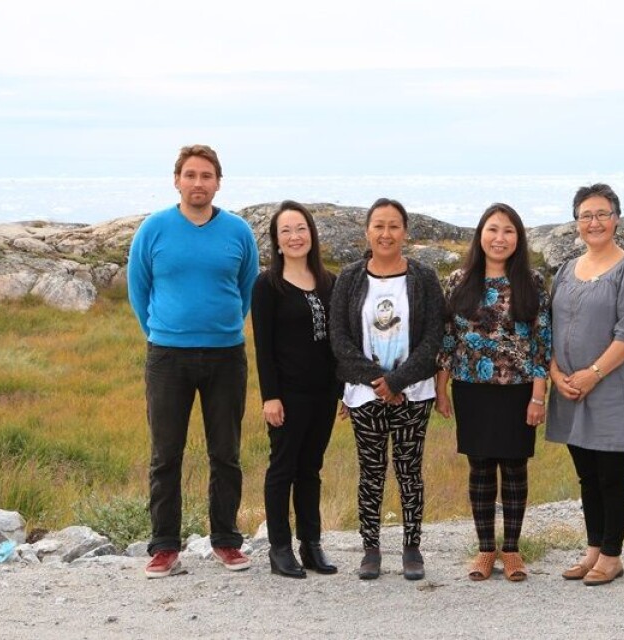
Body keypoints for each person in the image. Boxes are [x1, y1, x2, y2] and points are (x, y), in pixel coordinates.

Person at [127, 144, 260, 578]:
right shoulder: (154, 229)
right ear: (177, 180)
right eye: (190, 175)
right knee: (166, 454)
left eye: (206, 175)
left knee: (226, 454)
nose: (198, 183)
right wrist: (161, 331)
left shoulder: (238, 231)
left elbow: (245, 288)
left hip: (225, 356)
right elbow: (138, 287)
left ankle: (226, 541)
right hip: (167, 357)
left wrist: (221, 327)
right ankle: (164, 547)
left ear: (218, 181)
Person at [435, 203, 551, 582]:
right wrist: (441, 386)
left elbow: (541, 341)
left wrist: (538, 394)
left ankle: (513, 551)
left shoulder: (531, 282)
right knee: (481, 467)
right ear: (480, 235)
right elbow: (448, 338)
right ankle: (486, 550)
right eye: (493, 230)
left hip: (518, 390)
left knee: (515, 467)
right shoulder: (458, 280)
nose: (500, 238)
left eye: (508, 231)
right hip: (471, 388)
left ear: (518, 238)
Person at [329, 198, 444, 581]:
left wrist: (397, 381)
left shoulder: (424, 277)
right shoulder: (349, 277)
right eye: (379, 225)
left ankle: (412, 548)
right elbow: (340, 338)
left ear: (405, 232)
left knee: (409, 471)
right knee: (372, 472)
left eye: (394, 226)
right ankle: (371, 548)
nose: (386, 233)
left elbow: (433, 338)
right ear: (367, 231)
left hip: (413, 392)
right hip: (364, 394)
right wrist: (377, 381)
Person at [545, 184, 624, 586]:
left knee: (611, 474)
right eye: (586, 215)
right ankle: (593, 549)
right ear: (577, 222)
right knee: (587, 476)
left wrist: (592, 373)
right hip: (571, 391)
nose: (594, 222)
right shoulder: (565, 270)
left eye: (602, 214)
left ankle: (612, 555)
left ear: (616, 219)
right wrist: (558, 375)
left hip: (612, 390)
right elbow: (550, 330)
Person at [251, 201, 338, 579]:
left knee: (311, 469)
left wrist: (344, 389)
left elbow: (338, 341)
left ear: (311, 234)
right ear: (276, 240)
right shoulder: (267, 285)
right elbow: (263, 347)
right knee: (282, 469)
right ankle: (280, 549)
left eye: (300, 228)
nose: (294, 236)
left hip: (324, 394)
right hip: (287, 395)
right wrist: (270, 396)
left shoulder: (329, 281)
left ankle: (312, 545)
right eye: (285, 231)